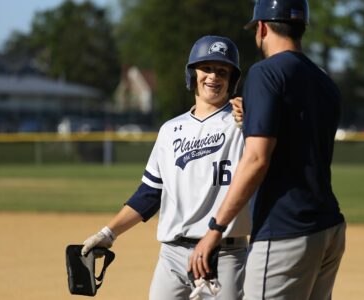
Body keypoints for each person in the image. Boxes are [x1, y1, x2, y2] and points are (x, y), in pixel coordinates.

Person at [189, 1, 346, 299]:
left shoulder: (265, 72)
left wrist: (215, 228)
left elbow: (257, 159)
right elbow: (300, 137)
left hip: (286, 228)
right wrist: (255, 119)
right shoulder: (325, 80)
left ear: (261, 27)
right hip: (329, 227)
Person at [81, 35, 250, 300]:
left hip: (225, 254)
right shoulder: (170, 130)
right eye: (206, 68)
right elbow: (150, 194)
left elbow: (274, 151)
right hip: (173, 256)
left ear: (232, 80)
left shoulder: (243, 123)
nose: (213, 77)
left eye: (222, 71)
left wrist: (256, 118)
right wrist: (108, 233)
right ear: (192, 74)